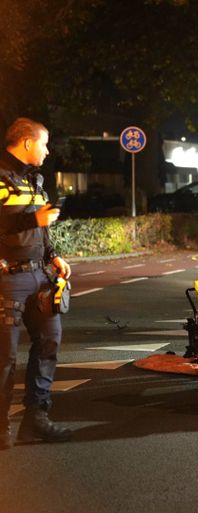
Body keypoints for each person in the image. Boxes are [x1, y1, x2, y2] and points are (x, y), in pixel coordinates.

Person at [0, 117, 73, 449]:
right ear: (27, 142)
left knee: (49, 343)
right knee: (5, 357)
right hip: (7, 279)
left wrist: (53, 254)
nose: (48, 150)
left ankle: (36, 421)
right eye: (44, 143)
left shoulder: (34, 179)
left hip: (39, 275)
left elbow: (39, 229)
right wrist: (35, 218)